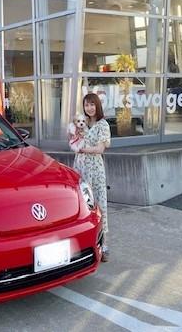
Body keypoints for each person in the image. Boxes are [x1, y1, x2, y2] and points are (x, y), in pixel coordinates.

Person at [73, 93, 112, 262]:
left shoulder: (103, 125)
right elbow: (72, 139)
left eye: (92, 104)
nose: (89, 108)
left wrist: (82, 149)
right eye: (86, 105)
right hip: (80, 166)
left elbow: (100, 149)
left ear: (97, 105)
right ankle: (84, 244)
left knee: (100, 204)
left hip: (95, 169)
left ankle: (104, 244)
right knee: (82, 205)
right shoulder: (81, 122)